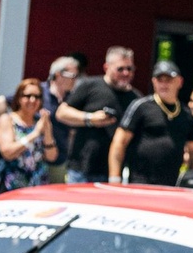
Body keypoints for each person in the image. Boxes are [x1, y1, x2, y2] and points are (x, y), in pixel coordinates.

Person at [56, 46, 140, 183]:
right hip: (81, 168)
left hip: (113, 173)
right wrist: (90, 118)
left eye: (130, 69)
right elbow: (62, 113)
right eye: (120, 69)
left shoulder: (136, 98)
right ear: (106, 67)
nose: (126, 73)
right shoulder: (90, 86)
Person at [108, 61, 193, 186]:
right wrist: (114, 178)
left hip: (171, 184)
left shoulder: (186, 114)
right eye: (160, 80)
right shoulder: (140, 106)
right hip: (140, 182)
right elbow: (119, 143)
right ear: (154, 82)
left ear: (179, 82)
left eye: (169, 79)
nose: (164, 84)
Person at [0, 78, 58, 194]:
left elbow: (51, 156)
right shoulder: (8, 120)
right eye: (28, 96)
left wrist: (47, 130)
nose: (32, 100)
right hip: (12, 187)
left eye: (37, 97)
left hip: (38, 187)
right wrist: (35, 134)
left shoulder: (40, 122)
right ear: (18, 98)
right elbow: (8, 152)